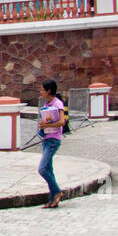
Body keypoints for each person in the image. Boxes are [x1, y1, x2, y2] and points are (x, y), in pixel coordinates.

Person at [37, 79, 66, 208]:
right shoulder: (47, 103)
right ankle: (52, 198)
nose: (41, 92)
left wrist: (47, 124)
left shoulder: (57, 104)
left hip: (54, 139)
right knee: (49, 169)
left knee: (42, 169)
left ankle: (57, 191)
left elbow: (62, 122)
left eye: (43, 89)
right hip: (46, 138)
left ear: (49, 91)